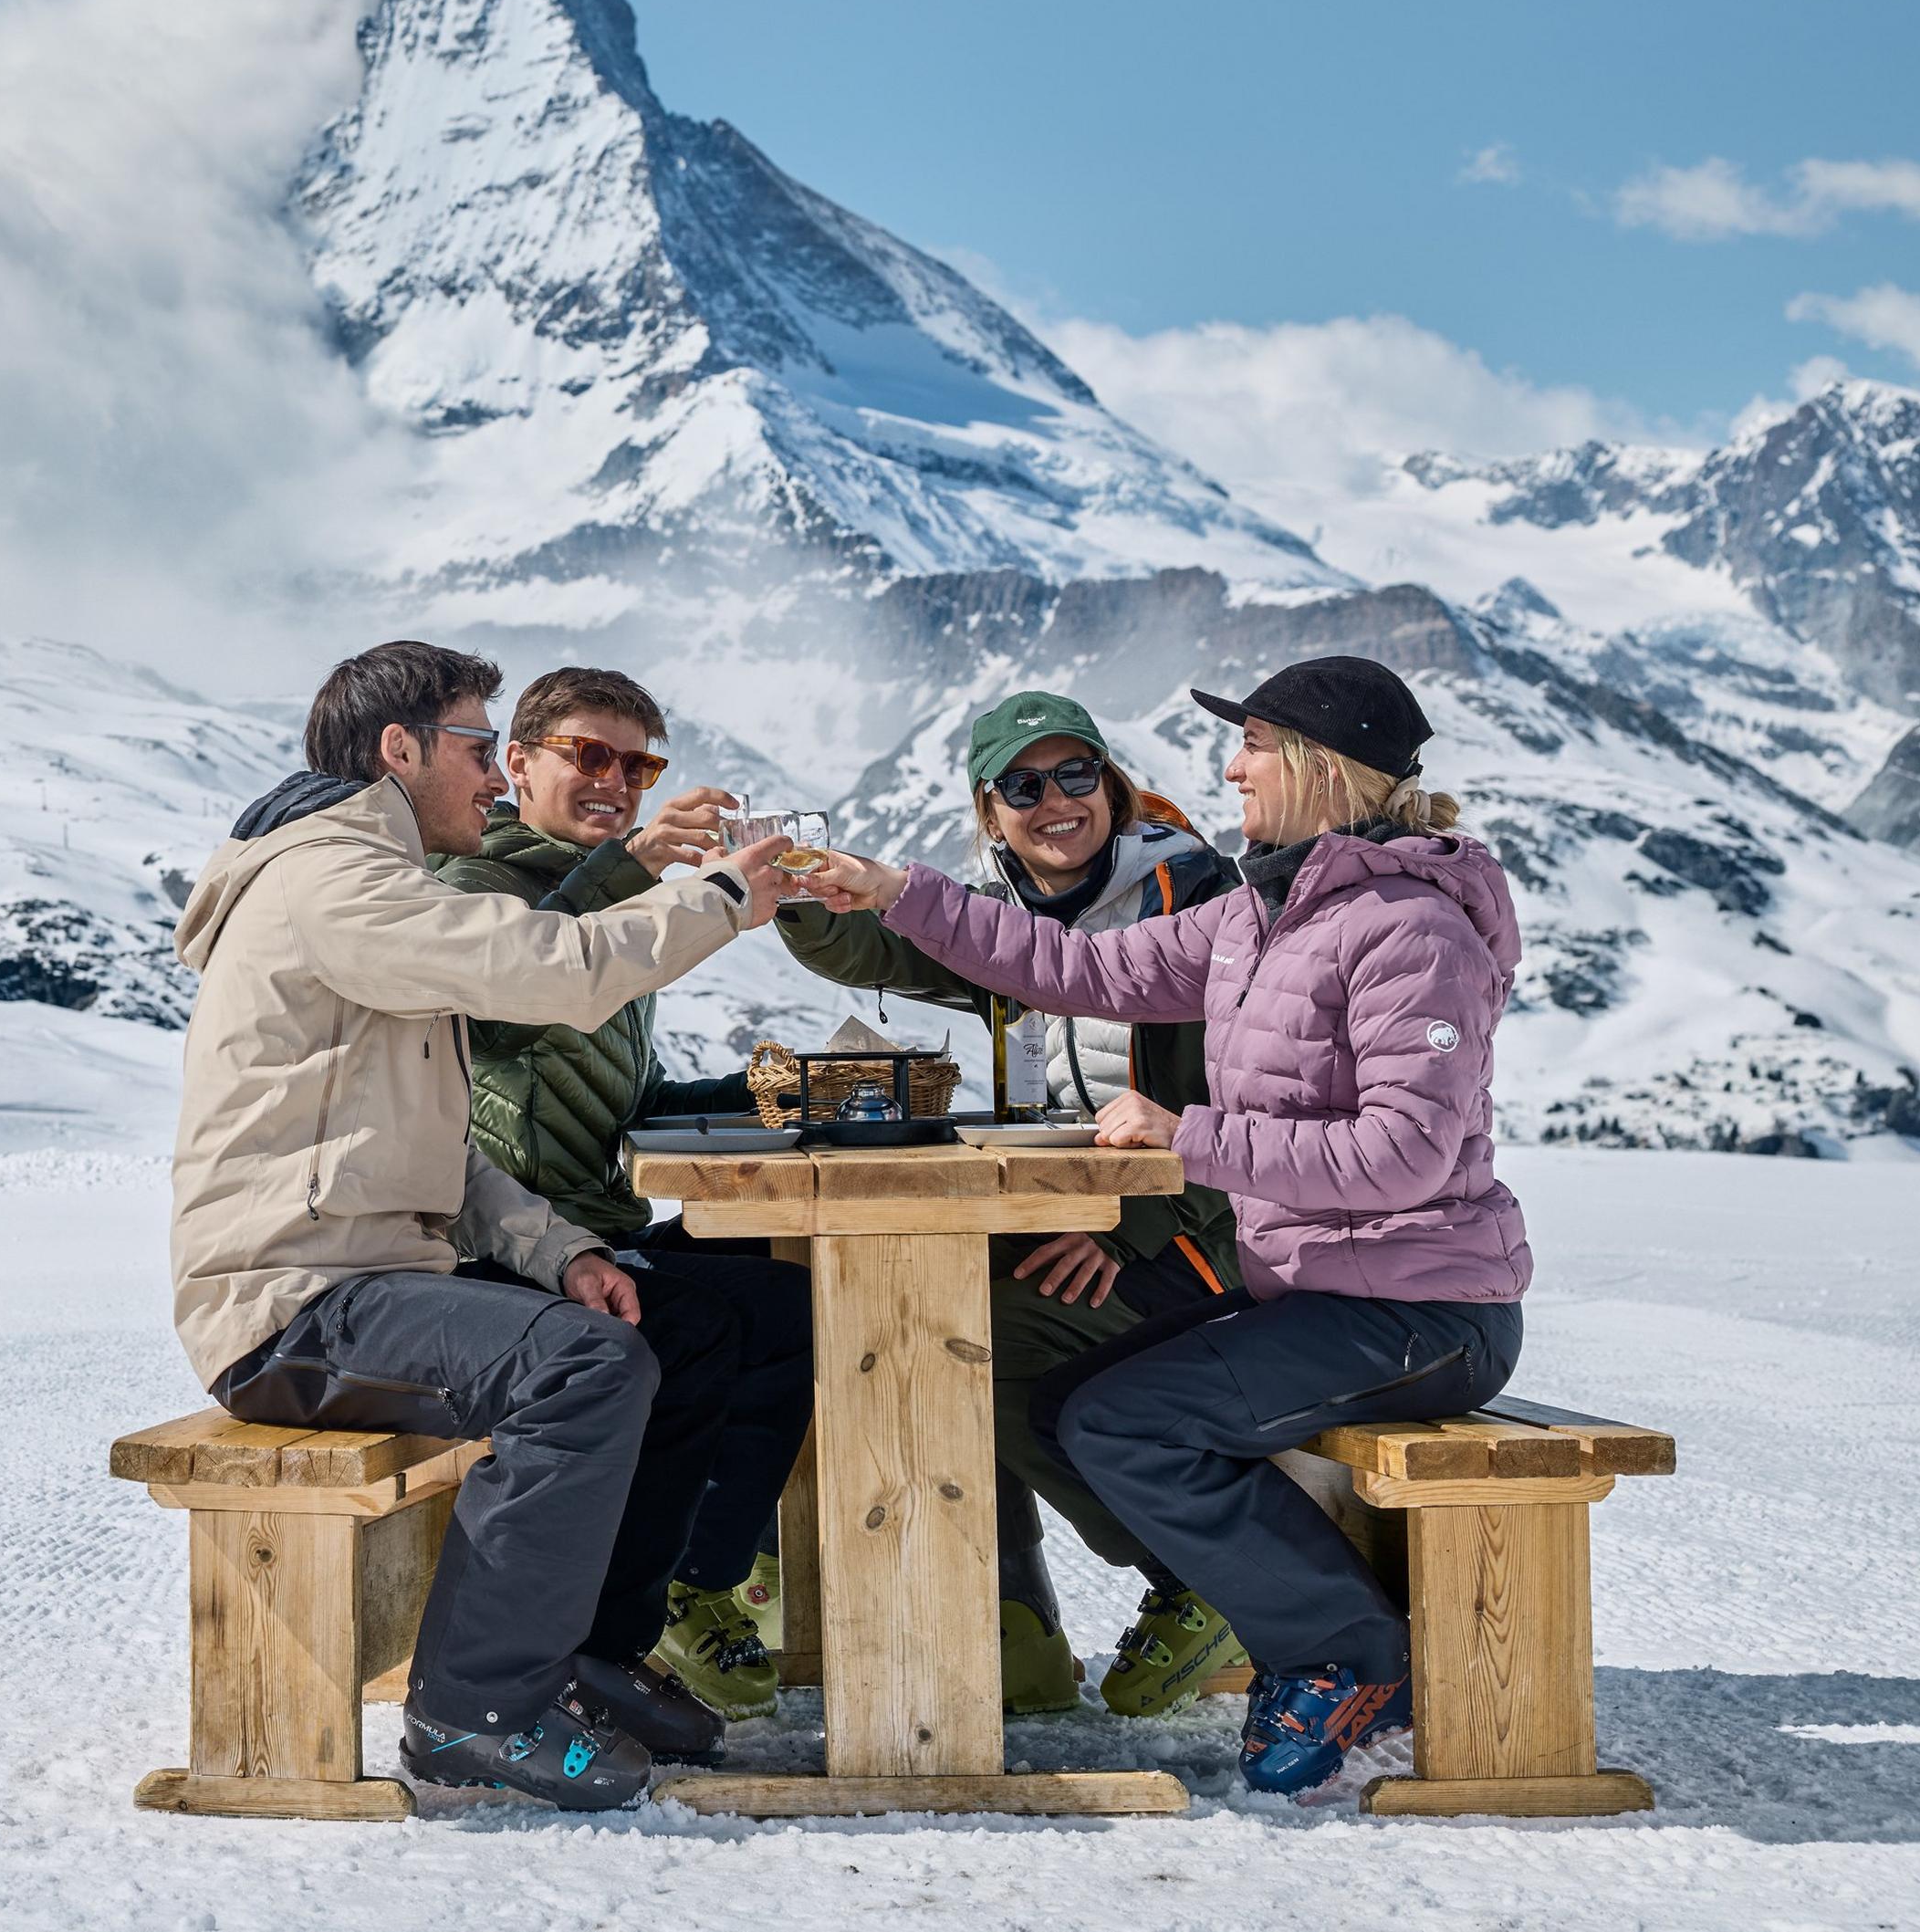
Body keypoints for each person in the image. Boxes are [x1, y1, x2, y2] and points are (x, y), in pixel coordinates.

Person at [800, 656, 1525, 1798]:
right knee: (1068, 1393)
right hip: (1316, 1288)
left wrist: (1189, 1136)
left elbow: (1406, 1154)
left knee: (1128, 1419)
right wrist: (894, 890)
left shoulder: (1409, 929)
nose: (1231, 769)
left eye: (1256, 747)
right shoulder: (1261, 912)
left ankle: (1348, 1654)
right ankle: (1277, 1615)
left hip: (1421, 1310)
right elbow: (1075, 966)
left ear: (1324, 769)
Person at [170, 641, 805, 1811]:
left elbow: (440, 1146)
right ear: (399, 748)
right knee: (583, 1368)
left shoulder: (370, 878)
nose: (491, 775)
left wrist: (563, 1250)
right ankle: (473, 1707)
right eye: (475, 743)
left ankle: (587, 1655)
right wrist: (720, 896)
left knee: (672, 1327)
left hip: (370, 1280)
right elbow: (551, 967)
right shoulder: (333, 881)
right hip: (291, 1301)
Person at [773, 691, 1251, 1718]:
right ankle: (1015, 1628)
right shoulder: (999, 917)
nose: (1055, 800)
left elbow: (1249, 1101)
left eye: (1076, 773)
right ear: (990, 810)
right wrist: (802, 895)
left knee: (964, 1340)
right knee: (904, 1319)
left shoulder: (1196, 897)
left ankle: (1197, 1575)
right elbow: (864, 949)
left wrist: (1130, 1229)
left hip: (1196, 1237)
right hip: (1063, 1219)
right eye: (1024, 785)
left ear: (1112, 786)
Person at [433, 665, 815, 1721]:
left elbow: (621, 1101)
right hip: (500, 1245)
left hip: (595, 1227)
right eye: (590, 755)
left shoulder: (607, 903)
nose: (615, 780)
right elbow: (499, 1013)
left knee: (792, 1290)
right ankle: (640, 1616)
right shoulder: (470, 883)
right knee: (703, 1325)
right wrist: (631, 867)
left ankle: (703, 1571)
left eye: (637, 766)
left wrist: (774, 1090)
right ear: (518, 763)